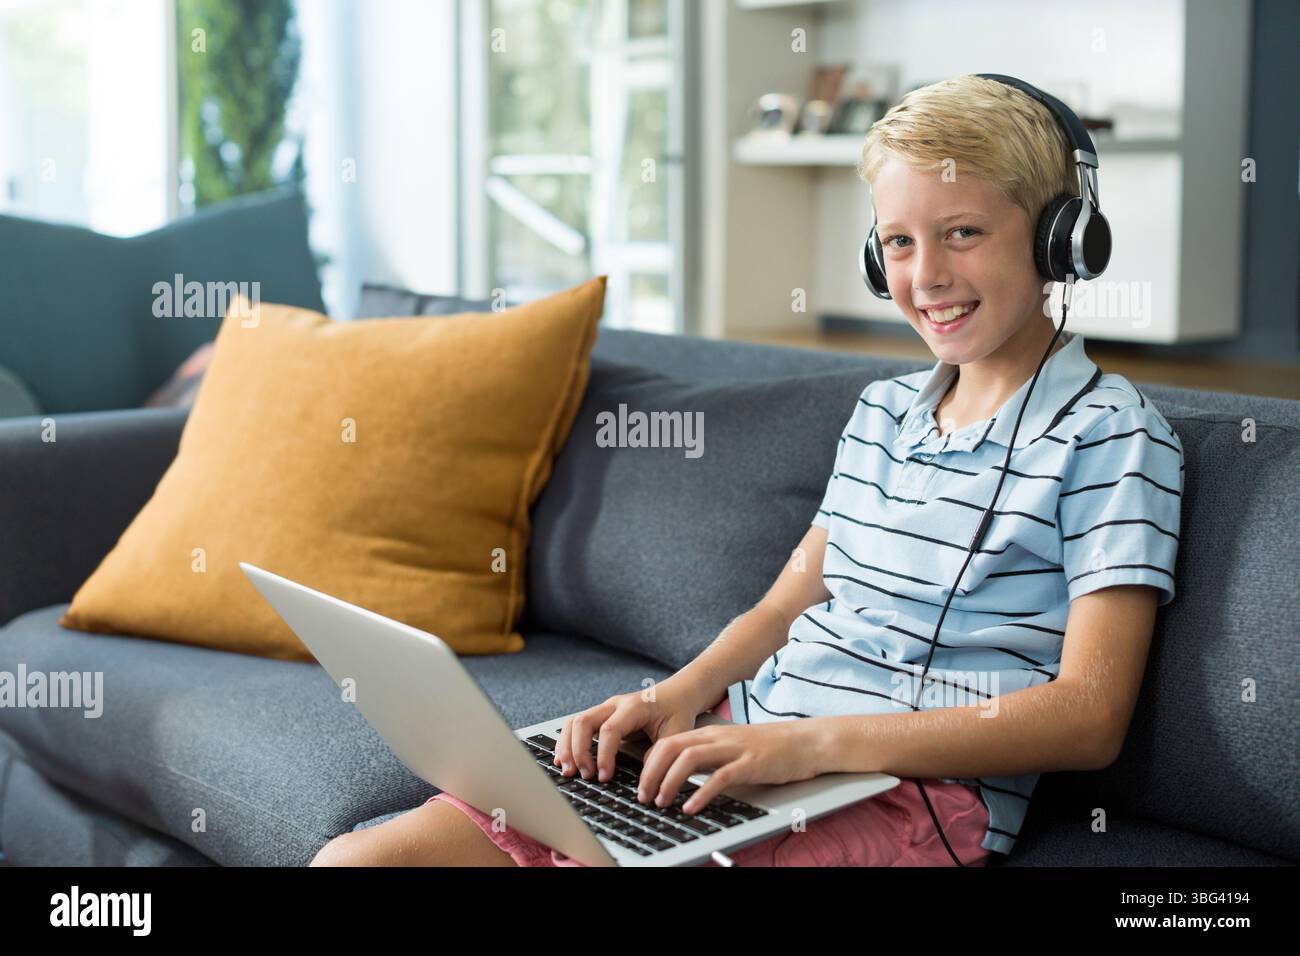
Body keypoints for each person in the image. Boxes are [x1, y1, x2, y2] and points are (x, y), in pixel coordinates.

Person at [310, 74, 1184, 867]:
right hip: (743, 745)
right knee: (359, 863)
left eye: (963, 233)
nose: (928, 275)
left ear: (1061, 241)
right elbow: (785, 605)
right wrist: (676, 697)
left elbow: (1089, 717)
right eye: (901, 242)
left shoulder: (1110, 437)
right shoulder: (882, 413)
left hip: (905, 798)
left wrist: (809, 747)